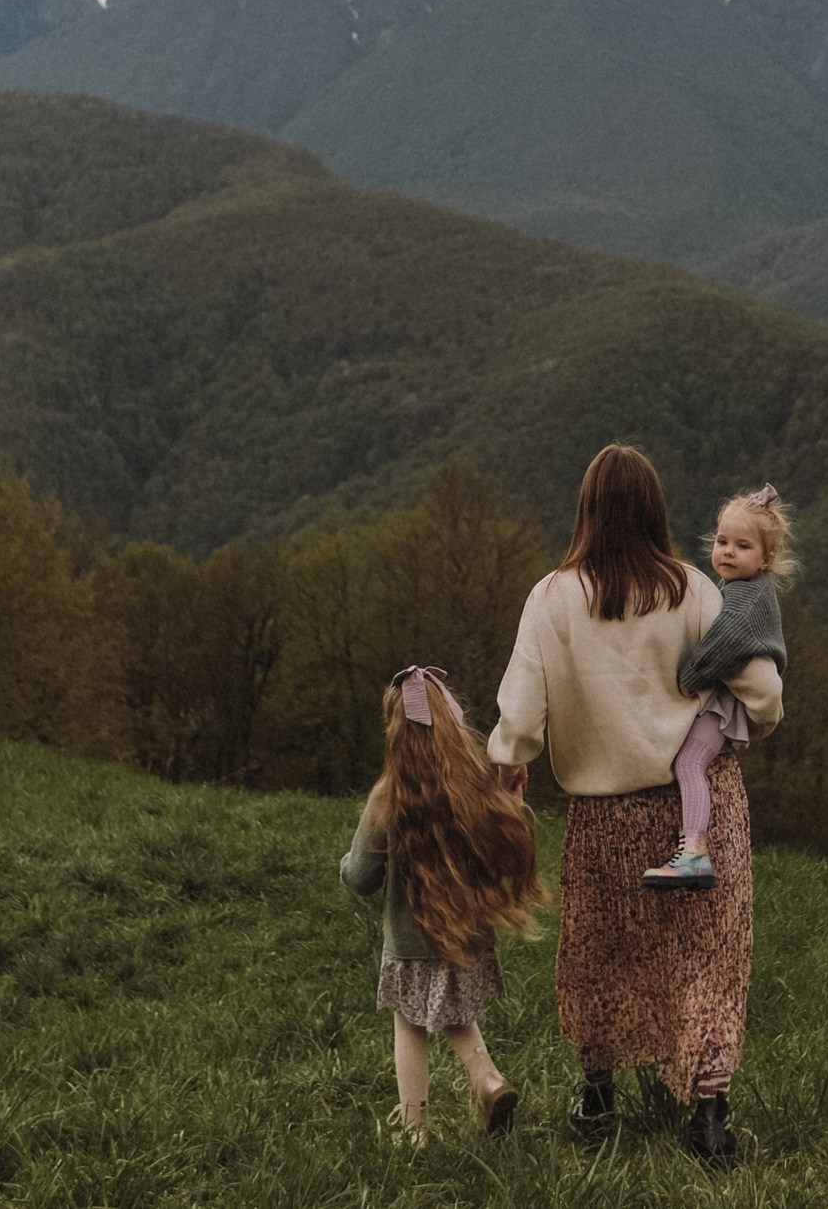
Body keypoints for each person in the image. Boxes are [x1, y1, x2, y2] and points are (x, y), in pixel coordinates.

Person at [487, 443, 784, 1164]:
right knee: (706, 958)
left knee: (601, 955)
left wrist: (509, 770)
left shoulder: (551, 597)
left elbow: (520, 721)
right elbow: (766, 696)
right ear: (654, 509)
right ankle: (709, 1115)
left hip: (602, 819)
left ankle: (597, 1097)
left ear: (586, 510)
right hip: (698, 813)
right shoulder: (696, 589)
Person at [340, 665, 543, 1145]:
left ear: (395, 731)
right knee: (451, 1011)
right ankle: (489, 1081)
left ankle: (414, 1132)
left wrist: (347, 861)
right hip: (467, 937)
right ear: (452, 723)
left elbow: (362, 877)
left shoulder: (388, 797)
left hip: (410, 944)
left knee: (410, 1024)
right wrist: (515, 803)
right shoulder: (474, 787)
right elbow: (511, 840)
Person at [644, 484, 794, 890]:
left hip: (726, 705)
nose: (728, 551)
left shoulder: (748, 596)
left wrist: (690, 677)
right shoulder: (740, 587)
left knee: (689, 763)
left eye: (742, 546)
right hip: (725, 701)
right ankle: (691, 849)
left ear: (766, 559)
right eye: (722, 541)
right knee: (688, 760)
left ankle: (693, 852)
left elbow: (726, 641)